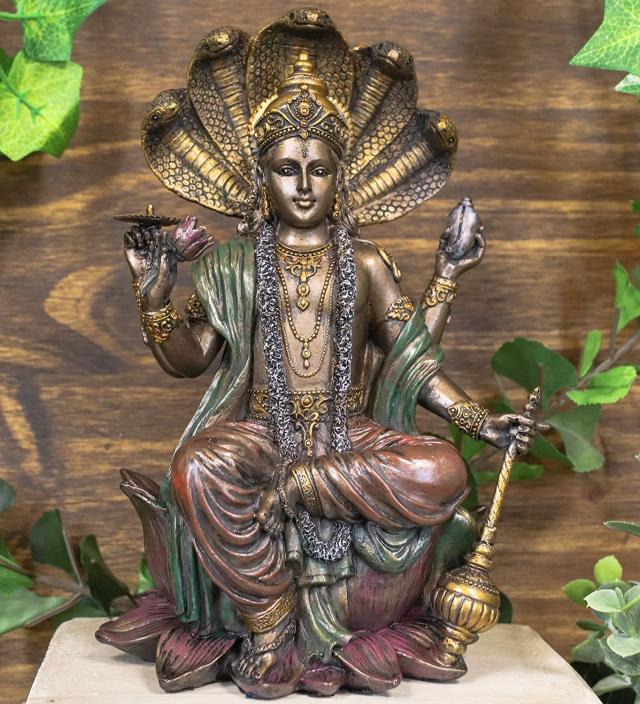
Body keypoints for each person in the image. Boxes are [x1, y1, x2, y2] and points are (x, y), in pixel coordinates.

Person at [121, 51, 540, 690]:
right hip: (262, 431)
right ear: (261, 178)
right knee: (196, 467)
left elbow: (411, 359)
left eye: (319, 170)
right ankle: (268, 616)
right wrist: (153, 298)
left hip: (348, 434)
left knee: (442, 468)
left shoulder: (366, 262)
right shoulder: (233, 262)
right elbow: (190, 359)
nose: (304, 186)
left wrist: (481, 421)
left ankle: (306, 484)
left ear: (340, 178)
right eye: (286, 170)